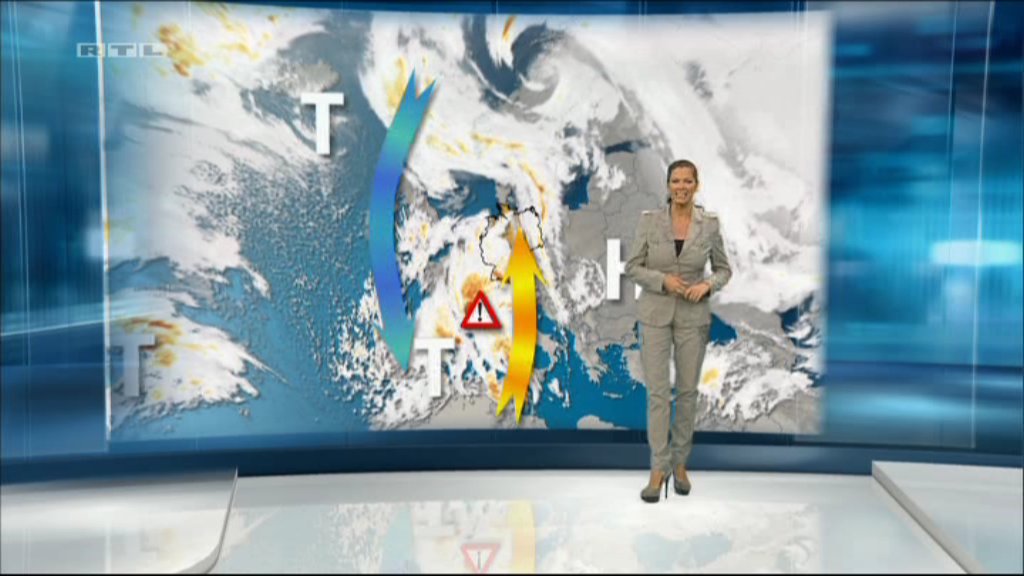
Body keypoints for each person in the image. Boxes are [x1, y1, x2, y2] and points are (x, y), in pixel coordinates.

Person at [626, 159, 732, 503]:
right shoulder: (649, 221)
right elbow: (632, 267)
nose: (681, 187)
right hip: (655, 315)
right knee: (658, 394)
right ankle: (658, 469)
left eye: (688, 181)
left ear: (696, 185)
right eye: (676, 181)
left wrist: (707, 285)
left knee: (687, 393)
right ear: (668, 185)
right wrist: (662, 281)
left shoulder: (709, 225)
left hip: (692, 318)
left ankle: (680, 464)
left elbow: (723, 269)